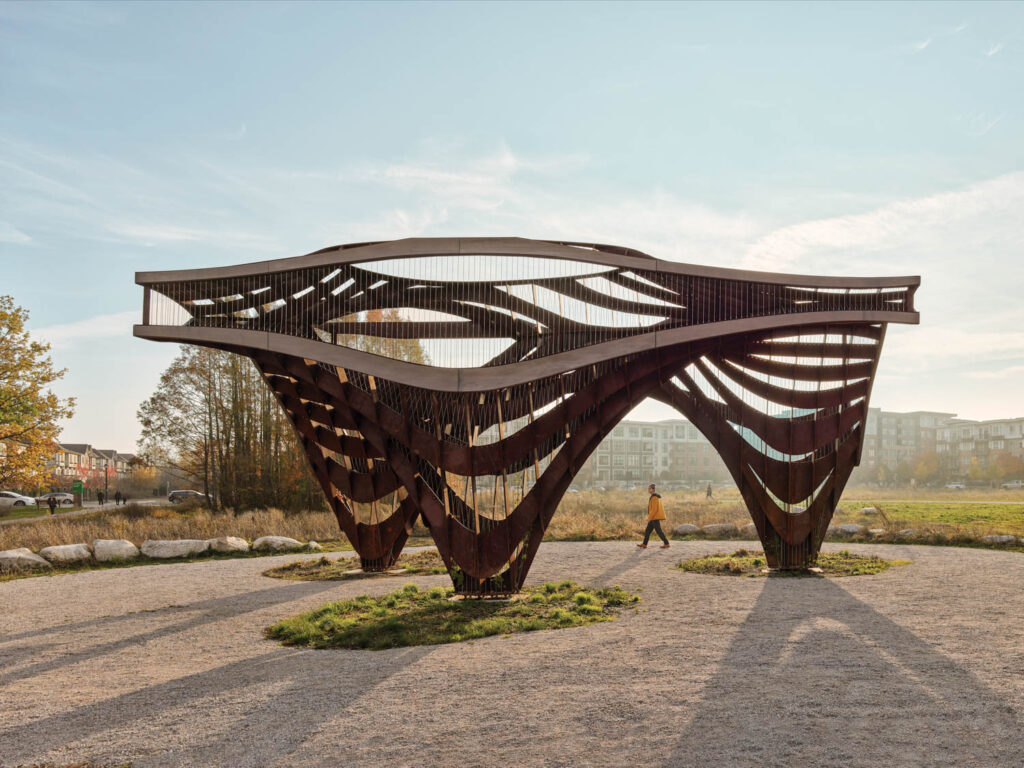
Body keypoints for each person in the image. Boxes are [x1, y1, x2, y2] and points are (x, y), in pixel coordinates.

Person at [637, 483, 670, 549]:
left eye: (649, 488)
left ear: (653, 489)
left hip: (654, 518)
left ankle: (666, 543)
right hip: (654, 517)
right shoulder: (654, 496)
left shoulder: (654, 497)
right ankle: (644, 544)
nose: (648, 490)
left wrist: (650, 518)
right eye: (648, 488)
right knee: (647, 531)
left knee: (659, 531)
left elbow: (654, 509)